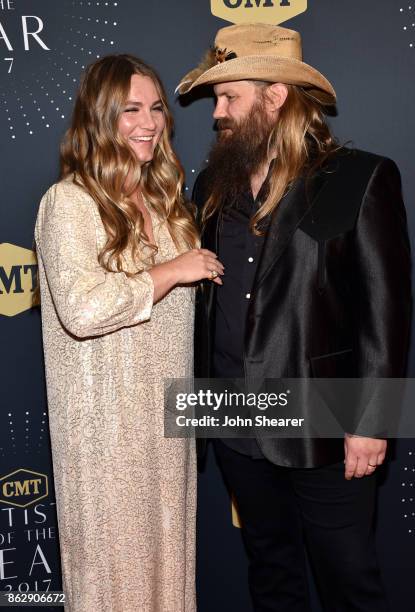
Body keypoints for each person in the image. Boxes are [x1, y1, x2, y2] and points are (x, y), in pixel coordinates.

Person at [177, 23, 412, 612]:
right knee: (270, 572)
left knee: (348, 581)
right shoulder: (211, 185)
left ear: (275, 96)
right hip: (229, 411)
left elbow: (386, 309)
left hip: (327, 418)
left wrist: (373, 422)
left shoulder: (359, 176)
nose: (217, 114)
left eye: (229, 97)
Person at [35, 54, 223, 612]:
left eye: (156, 108)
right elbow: (81, 310)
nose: (148, 123)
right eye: (130, 110)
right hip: (104, 432)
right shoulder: (69, 203)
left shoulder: (169, 206)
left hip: (167, 427)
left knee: (169, 577)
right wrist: (170, 271)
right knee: (114, 582)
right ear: (99, 118)